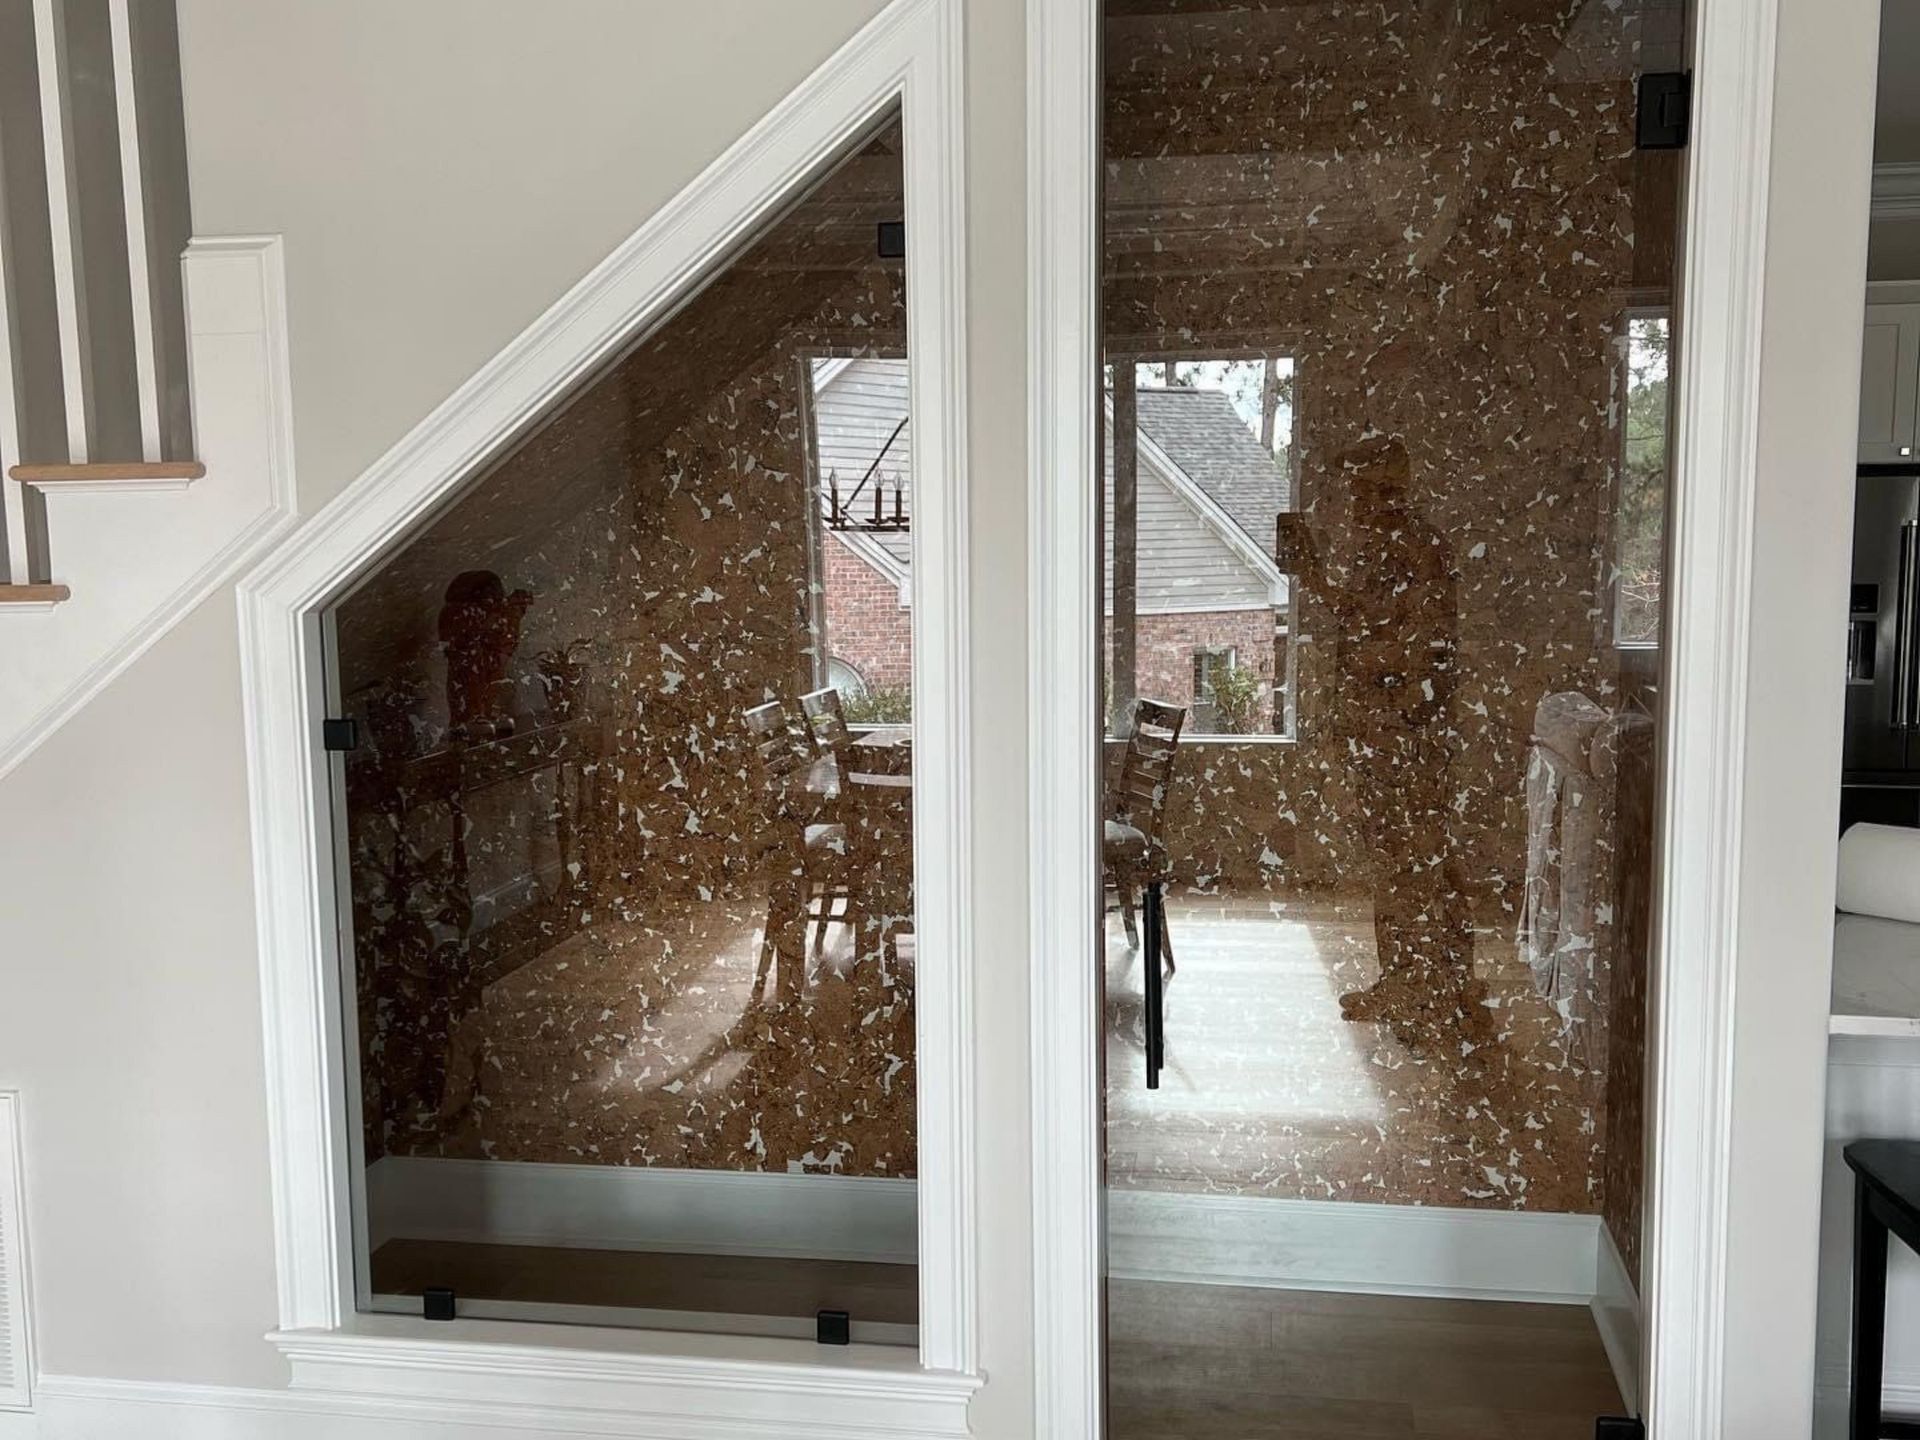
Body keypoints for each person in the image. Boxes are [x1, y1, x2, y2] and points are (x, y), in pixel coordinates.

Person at [1277, 435, 1484, 1048]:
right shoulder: (1389, 549)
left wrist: (1319, 583)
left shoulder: (1412, 551)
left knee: (1416, 869)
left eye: (1360, 487)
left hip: (1405, 740)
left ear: (1383, 488)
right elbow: (1363, 618)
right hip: (1387, 737)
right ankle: (1410, 984)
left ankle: (1439, 996)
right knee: (1399, 868)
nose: (1351, 500)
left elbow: (1404, 649)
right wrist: (1314, 578)